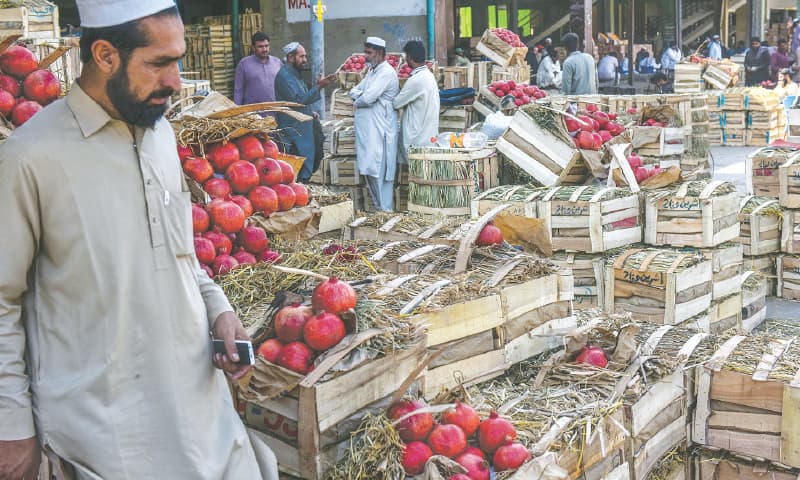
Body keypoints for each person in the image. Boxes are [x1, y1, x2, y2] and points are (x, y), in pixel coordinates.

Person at [0, 2, 279, 479]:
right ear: (105, 55)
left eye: (178, 60)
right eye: (159, 63)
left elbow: (181, 256)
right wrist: (11, 428)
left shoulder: (162, 136)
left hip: (203, 417)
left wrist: (220, 310)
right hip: (102, 440)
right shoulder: (31, 157)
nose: (175, 80)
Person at [274, 42, 335, 183]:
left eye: (305, 56)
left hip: (302, 127)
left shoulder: (294, 74)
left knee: (308, 162)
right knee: (298, 169)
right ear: (290, 57)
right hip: (293, 130)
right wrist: (319, 86)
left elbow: (301, 98)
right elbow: (298, 101)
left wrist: (310, 112)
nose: (305, 60)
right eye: (301, 57)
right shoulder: (284, 76)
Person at [350, 36, 399, 211]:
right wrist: (359, 96)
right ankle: (380, 211)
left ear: (379, 53)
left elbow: (368, 98)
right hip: (371, 133)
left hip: (381, 130)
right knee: (371, 171)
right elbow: (355, 91)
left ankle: (386, 212)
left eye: (369, 53)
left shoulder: (386, 72)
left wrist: (360, 98)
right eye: (366, 52)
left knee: (380, 172)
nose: (366, 56)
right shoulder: (372, 71)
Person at [393, 40, 439, 166]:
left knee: (418, 173)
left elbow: (396, 103)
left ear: (410, 57)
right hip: (427, 135)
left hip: (418, 139)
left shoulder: (416, 80)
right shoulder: (428, 76)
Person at [233, 31, 283, 105]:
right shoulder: (243, 64)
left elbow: (284, 87)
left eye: (266, 46)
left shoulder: (277, 63)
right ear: (253, 47)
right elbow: (238, 91)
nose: (264, 49)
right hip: (253, 113)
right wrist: (236, 111)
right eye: (260, 46)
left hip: (277, 112)